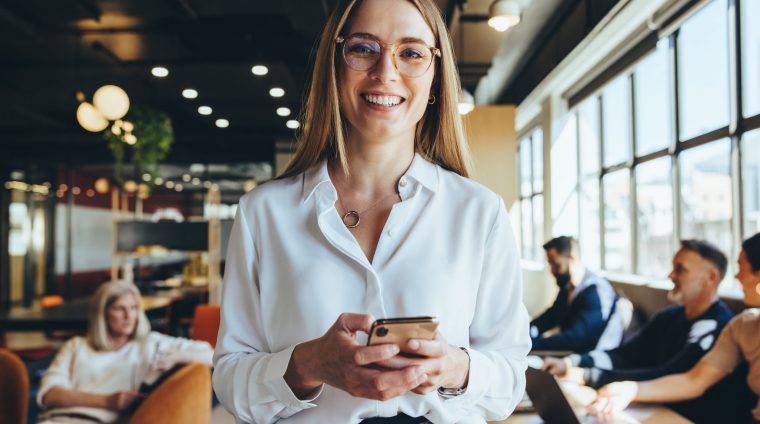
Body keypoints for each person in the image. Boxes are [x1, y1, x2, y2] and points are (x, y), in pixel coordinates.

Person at [211, 0, 531, 423]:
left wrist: (454, 366)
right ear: (336, 66)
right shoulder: (263, 213)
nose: (385, 72)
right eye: (363, 48)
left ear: (435, 80)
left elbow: (509, 381)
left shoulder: (480, 212)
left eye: (412, 53)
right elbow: (230, 380)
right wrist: (307, 365)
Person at [541, 240, 734, 420]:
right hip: (648, 411)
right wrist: (572, 362)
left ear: (711, 277)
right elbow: (624, 355)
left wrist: (587, 374)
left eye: (680, 269)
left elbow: (670, 374)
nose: (671, 275)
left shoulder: (716, 328)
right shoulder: (668, 317)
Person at [591, 233, 760, 422]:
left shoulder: (714, 324)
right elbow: (693, 380)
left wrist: (593, 375)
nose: (736, 276)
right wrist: (631, 389)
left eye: (741, 268)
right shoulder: (742, 326)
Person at [37, 281, 213, 423]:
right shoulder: (76, 346)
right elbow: (49, 395)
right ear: (103, 314)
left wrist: (177, 356)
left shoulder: (150, 343)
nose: (129, 316)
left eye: (134, 308)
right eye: (120, 309)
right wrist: (108, 401)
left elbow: (212, 355)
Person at [530, 236, 622, 352]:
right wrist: (526, 331)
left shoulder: (595, 292)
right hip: (577, 356)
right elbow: (551, 317)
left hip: (597, 360)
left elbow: (575, 339)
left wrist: (530, 344)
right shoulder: (569, 287)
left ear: (572, 259)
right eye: (550, 264)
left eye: (556, 265)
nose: (551, 270)